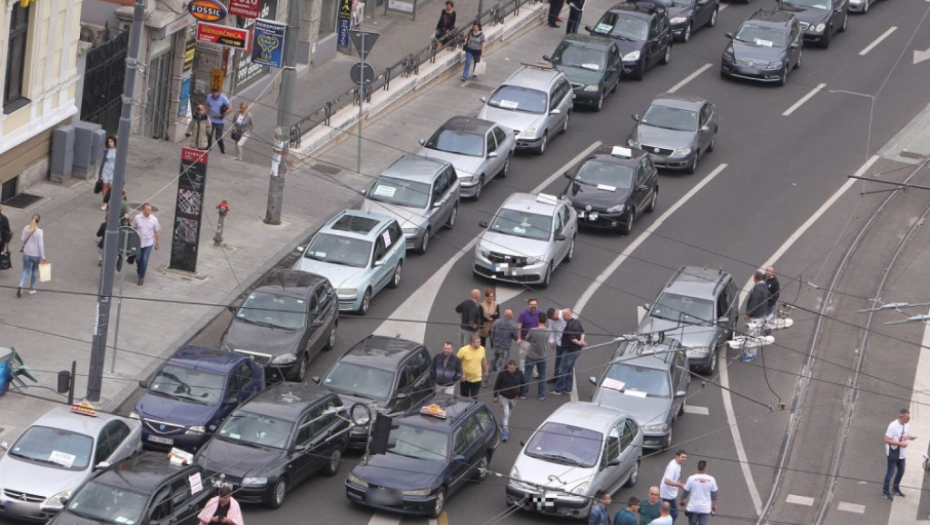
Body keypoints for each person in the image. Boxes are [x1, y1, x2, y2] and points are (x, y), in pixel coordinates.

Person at [882, 408, 916, 500]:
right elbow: (886, 440)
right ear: (901, 417)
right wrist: (899, 444)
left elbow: (904, 435)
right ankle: (885, 492)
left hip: (902, 453)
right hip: (893, 452)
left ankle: (895, 488)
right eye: (907, 418)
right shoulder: (892, 426)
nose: (908, 420)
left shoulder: (907, 425)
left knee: (901, 470)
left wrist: (910, 437)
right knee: (890, 472)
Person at [551, 308, 586, 395]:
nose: (562, 317)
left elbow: (572, 339)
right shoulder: (577, 322)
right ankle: (568, 388)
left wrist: (579, 343)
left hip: (570, 350)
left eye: (563, 315)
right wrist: (582, 341)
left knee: (564, 369)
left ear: (567, 315)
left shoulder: (569, 326)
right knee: (570, 369)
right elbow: (583, 332)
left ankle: (558, 389)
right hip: (577, 350)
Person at [493, 360, 525, 442]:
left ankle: (502, 425)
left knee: (508, 414)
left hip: (514, 398)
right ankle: (505, 433)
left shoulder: (519, 374)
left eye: (511, 368)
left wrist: (520, 394)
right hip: (503, 397)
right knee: (506, 414)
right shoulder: (502, 373)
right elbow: (497, 384)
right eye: (508, 367)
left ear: (515, 366)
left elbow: (523, 384)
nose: (509, 369)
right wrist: (495, 396)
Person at [131, 203, 161, 286]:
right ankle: (139, 268)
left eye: (150, 210)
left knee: (144, 260)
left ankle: (141, 277)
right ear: (143, 210)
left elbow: (157, 232)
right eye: (148, 210)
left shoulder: (154, 219)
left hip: (148, 243)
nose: (149, 211)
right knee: (138, 258)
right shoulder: (137, 218)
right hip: (138, 243)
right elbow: (133, 228)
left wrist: (157, 243)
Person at [680, 460, 717, 525]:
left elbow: (685, 492)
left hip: (693, 508)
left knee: (692, 523)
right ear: (706, 468)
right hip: (705, 508)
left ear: (697, 467)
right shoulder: (711, 479)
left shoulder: (691, 478)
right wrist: (714, 506)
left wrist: (681, 501)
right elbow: (714, 495)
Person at [17, 214, 46, 297]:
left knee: (26, 270)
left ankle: (20, 284)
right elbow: (40, 245)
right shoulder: (40, 231)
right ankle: (32, 288)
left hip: (27, 253)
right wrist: (43, 256)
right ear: (39, 221)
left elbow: (22, 239)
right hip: (36, 255)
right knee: (35, 270)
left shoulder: (26, 228)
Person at [742, 270, 768, 362]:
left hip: (755, 317)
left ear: (755, 278)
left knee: (751, 335)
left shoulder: (757, 289)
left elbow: (754, 302)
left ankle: (750, 354)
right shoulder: (764, 287)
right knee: (755, 335)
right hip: (761, 315)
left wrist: (748, 313)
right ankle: (751, 352)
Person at [522, 311, 549, 400]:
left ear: (538, 320)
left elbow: (527, 338)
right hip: (542, 355)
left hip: (531, 355)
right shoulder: (548, 331)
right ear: (545, 321)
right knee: (542, 375)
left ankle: (524, 393)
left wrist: (533, 341)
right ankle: (541, 394)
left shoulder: (533, 330)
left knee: (527, 374)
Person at [660, 450, 688, 523]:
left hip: (671, 492)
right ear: (677, 456)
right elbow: (667, 480)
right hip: (668, 494)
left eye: (685, 457)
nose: (684, 459)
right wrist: (680, 485)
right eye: (682, 457)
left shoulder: (677, 464)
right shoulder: (673, 466)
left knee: (668, 512)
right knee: (674, 513)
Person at [457, 334, 488, 399]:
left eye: (480, 342)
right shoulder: (463, 350)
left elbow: (483, 360)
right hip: (465, 378)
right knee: (464, 397)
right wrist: (461, 373)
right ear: (472, 343)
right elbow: (457, 362)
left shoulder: (482, 349)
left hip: (477, 378)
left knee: (474, 397)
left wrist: (486, 370)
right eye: (477, 342)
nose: (479, 343)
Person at [489, 308, 518, 373]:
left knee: (491, 364)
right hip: (505, 348)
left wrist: (494, 342)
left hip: (496, 346)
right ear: (511, 316)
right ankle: (499, 381)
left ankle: (485, 380)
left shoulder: (497, 322)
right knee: (501, 366)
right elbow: (516, 337)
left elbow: (492, 334)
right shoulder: (513, 326)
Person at [205, 86, 231, 153]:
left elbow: (230, 108)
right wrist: (206, 115)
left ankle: (222, 149)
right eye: (214, 94)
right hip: (211, 119)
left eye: (216, 94)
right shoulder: (209, 97)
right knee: (209, 135)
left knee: (218, 137)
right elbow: (207, 106)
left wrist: (221, 115)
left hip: (220, 121)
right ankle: (208, 148)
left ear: (219, 92)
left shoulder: (223, 98)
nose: (215, 95)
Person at [516, 298, 540, 369]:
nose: (533, 306)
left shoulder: (540, 313)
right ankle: (522, 371)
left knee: (536, 357)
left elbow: (542, 325)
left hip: (536, 340)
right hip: (525, 340)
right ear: (528, 305)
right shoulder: (523, 314)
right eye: (532, 304)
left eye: (535, 304)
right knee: (523, 357)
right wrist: (519, 338)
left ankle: (536, 373)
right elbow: (519, 326)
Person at [547, 307, 566, 384]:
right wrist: (552, 341)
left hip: (566, 343)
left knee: (564, 361)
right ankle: (555, 376)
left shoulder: (565, 316)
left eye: (553, 318)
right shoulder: (551, 319)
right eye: (551, 319)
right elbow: (552, 330)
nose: (552, 320)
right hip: (559, 342)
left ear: (556, 313)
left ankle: (562, 379)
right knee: (558, 359)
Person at [98, 136, 117, 209]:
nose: (110, 143)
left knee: (110, 186)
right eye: (109, 142)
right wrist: (100, 171)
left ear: (114, 142)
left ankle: (109, 201)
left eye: (111, 142)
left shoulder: (118, 150)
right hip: (106, 168)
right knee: (105, 185)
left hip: (114, 169)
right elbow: (103, 161)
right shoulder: (106, 150)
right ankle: (105, 202)